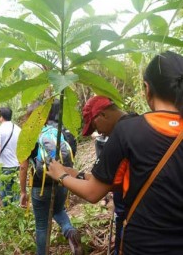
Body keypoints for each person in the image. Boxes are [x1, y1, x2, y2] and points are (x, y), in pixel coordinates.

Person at [47, 51, 183, 255]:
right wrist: (78, 174)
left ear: (147, 89)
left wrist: (61, 174)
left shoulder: (128, 131)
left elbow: (94, 193)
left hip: (142, 246)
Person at [20, 100, 83, 255]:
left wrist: (23, 192)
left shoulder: (29, 137)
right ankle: (69, 231)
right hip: (61, 180)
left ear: (30, 118)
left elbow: (23, 166)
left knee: (42, 225)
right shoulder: (57, 132)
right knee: (58, 210)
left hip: (40, 185)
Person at [82, 95, 136, 255]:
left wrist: (61, 176)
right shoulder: (139, 123)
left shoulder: (119, 135)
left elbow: (93, 194)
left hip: (132, 220)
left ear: (103, 114)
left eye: (94, 125)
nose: (98, 132)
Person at [0, 107, 21, 206]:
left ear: (1, 117)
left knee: (4, 192)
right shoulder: (18, 129)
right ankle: (17, 211)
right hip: (17, 165)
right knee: (16, 190)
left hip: (5, 165)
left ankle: (8, 213)